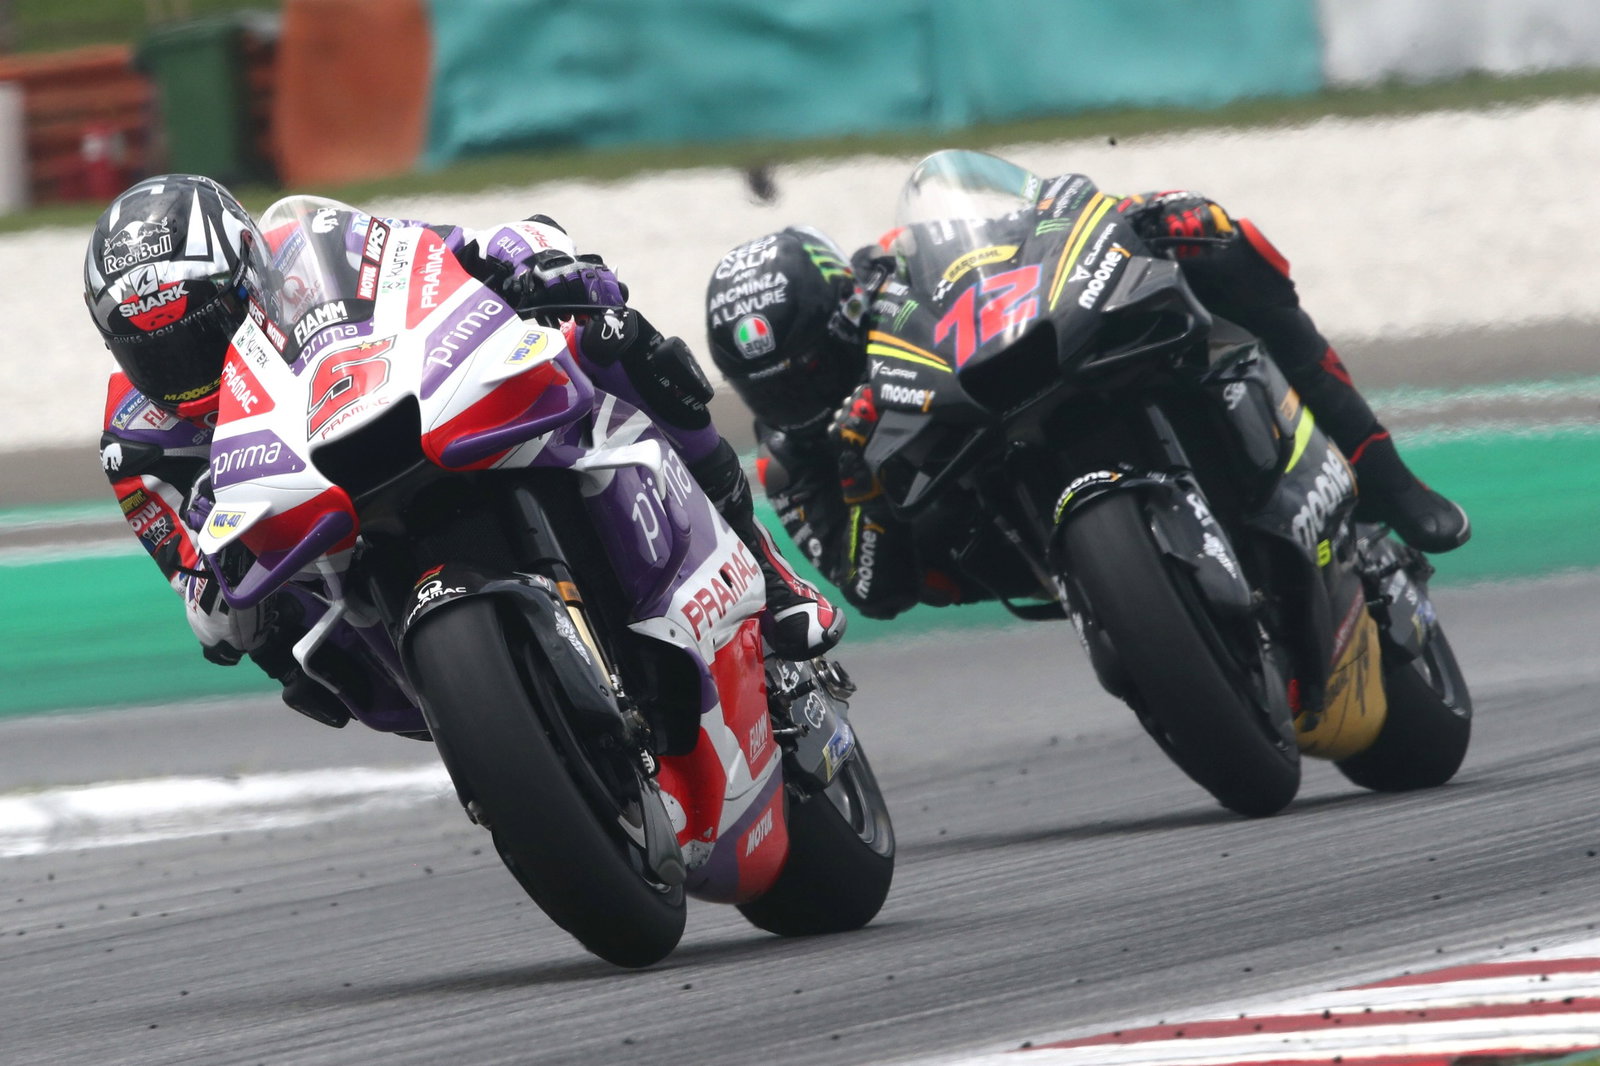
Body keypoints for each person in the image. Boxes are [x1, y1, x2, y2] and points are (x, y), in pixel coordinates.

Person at [86, 174, 843, 728]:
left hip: (390, 413)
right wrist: (214, 586)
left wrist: (534, 262)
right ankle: (493, 728)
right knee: (288, 649)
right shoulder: (136, 442)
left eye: (199, 329)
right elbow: (201, 598)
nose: (186, 369)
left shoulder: (306, 253)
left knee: (605, 337)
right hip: (312, 550)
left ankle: (765, 567)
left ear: (250, 275)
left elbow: (436, 256)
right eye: (154, 351)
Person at [704, 189, 1471, 622]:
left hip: (999, 389)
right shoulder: (790, 462)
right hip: (986, 538)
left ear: (844, 311)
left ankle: (1384, 473)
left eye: (814, 369)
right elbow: (873, 591)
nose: (801, 397)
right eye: (773, 389)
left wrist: (1138, 213)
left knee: (1219, 244)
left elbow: (1010, 230)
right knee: (924, 543)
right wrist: (860, 477)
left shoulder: (890, 276)